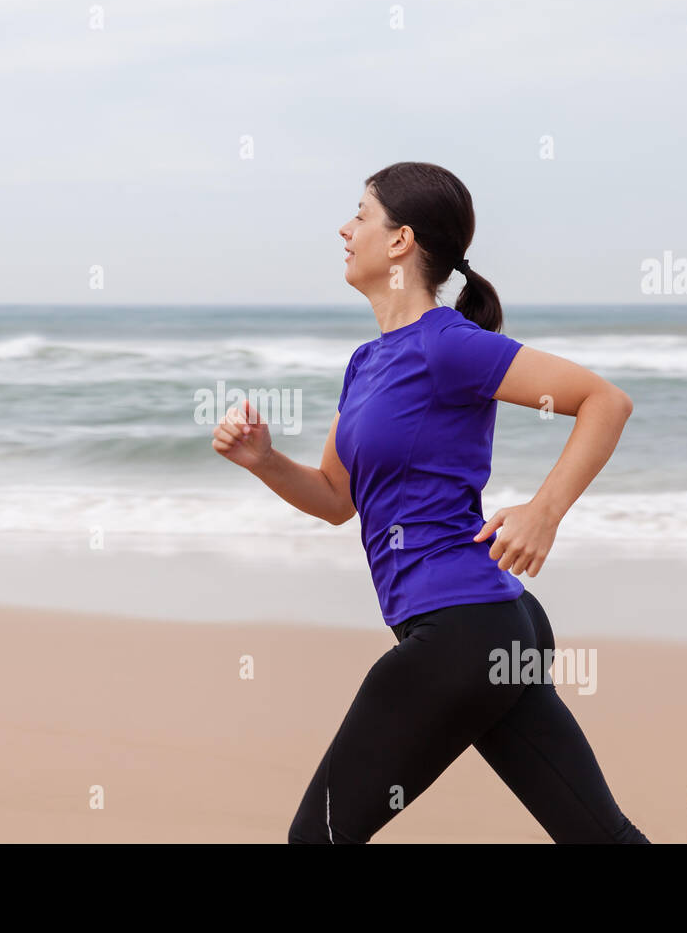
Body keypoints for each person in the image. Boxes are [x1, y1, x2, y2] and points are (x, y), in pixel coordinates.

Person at [211, 161, 650, 844]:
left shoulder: (449, 347)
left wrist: (542, 512)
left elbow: (605, 402)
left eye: (360, 214)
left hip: (464, 630)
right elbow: (335, 500)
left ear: (399, 241)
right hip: (492, 628)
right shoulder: (368, 362)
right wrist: (264, 462)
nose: (344, 228)